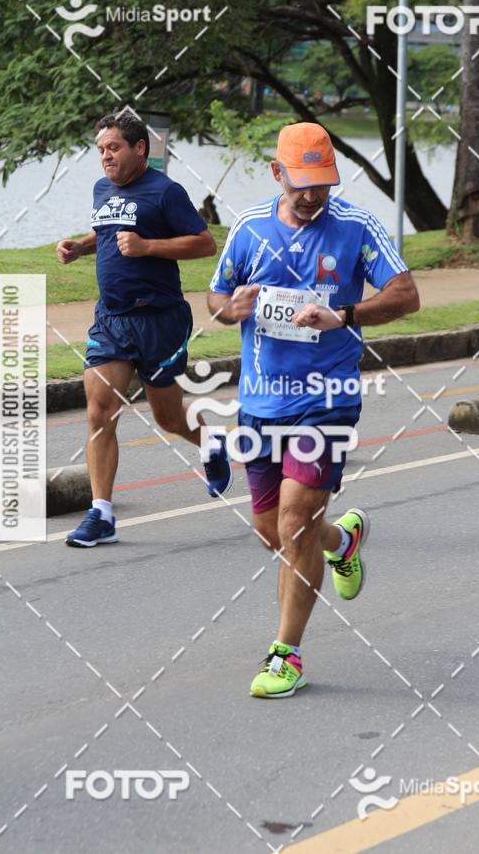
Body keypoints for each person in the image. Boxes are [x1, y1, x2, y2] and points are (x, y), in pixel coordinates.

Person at [207, 122, 419, 698]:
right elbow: (215, 296)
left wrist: (344, 315)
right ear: (277, 173)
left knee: (294, 522)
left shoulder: (356, 226)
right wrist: (231, 308)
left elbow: (406, 294)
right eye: (301, 183)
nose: (311, 195)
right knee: (272, 531)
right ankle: (342, 542)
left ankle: (287, 655)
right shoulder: (249, 228)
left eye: (322, 183)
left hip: (327, 399)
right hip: (261, 401)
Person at [57, 111, 231, 547]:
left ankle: (211, 442)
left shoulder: (166, 191)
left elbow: (205, 243)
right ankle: (102, 514)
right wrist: (81, 247)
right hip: (112, 319)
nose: (105, 156)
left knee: (167, 417)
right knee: (99, 412)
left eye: (113, 147)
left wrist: (148, 246)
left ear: (139, 148)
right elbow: (107, 231)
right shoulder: (102, 189)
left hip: (160, 320)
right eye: (101, 149)